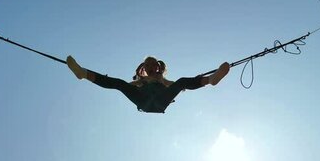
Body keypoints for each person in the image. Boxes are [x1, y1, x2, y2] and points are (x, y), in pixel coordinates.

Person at [66, 55, 230, 113]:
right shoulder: (142, 80)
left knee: (181, 82)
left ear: (158, 68)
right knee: (119, 83)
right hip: (143, 101)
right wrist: (132, 84)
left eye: (154, 65)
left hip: (159, 102)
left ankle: (211, 79)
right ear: (144, 69)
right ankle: (83, 73)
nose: (151, 68)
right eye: (148, 66)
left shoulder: (160, 79)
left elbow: (172, 84)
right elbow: (128, 85)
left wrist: (183, 85)